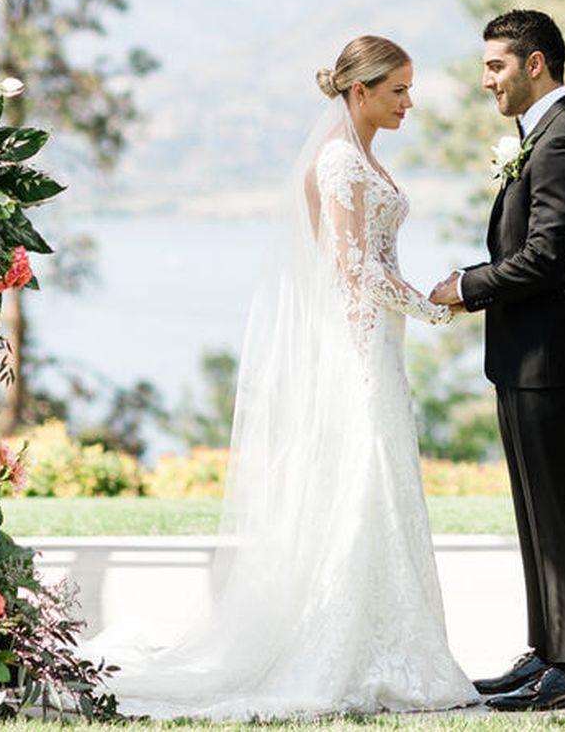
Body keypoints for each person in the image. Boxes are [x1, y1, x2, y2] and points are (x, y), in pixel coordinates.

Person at [85, 36, 480, 719]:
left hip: (374, 344)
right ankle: (349, 646)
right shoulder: (338, 163)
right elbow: (354, 270)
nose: (409, 101)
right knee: (366, 484)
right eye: (398, 90)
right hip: (359, 349)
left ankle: (385, 639)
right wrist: (435, 305)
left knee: (379, 488)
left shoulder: (359, 157)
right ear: (360, 91)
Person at [430, 9, 565, 712]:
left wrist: (467, 285)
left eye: (496, 66)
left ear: (535, 62)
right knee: (534, 511)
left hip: (555, 358)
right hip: (525, 357)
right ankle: (545, 652)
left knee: (557, 511)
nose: (487, 81)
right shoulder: (541, 136)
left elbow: (545, 258)